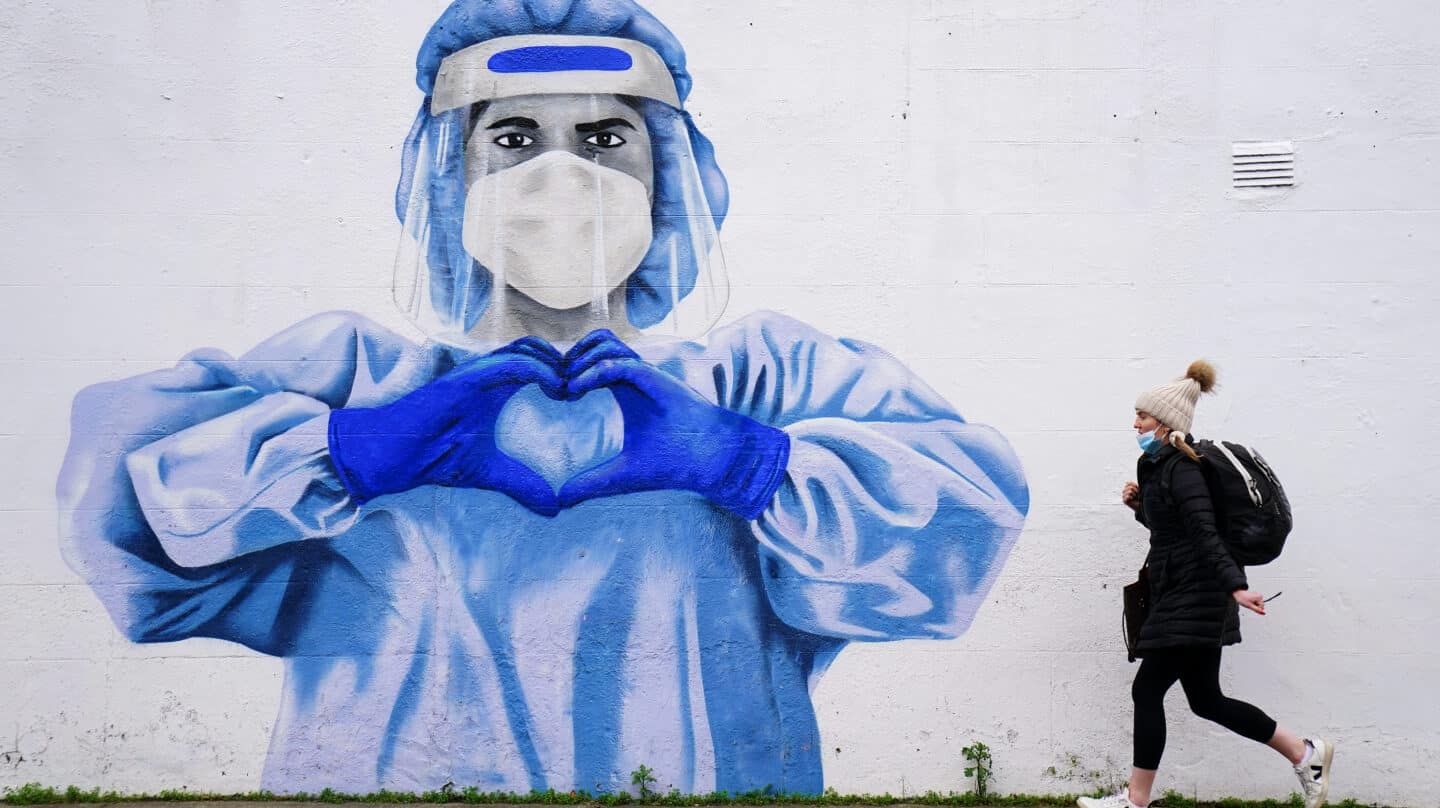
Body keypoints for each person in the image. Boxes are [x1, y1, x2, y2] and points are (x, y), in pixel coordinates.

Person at [56, 0, 1029, 796]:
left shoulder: (760, 382)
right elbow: (117, 516)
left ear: (668, 176)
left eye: (605, 136)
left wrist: (752, 461)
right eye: (514, 136)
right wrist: (342, 448)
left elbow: (968, 513)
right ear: (449, 174)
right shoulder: (355, 378)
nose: (560, 178)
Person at [1078, 361, 1333, 808]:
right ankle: (1305, 753)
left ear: (1165, 422)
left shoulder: (1184, 468)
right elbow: (1173, 532)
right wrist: (1141, 506)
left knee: (1147, 690)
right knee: (1207, 700)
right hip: (1184, 591)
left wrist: (1235, 586)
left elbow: (1203, 531)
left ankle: (1136, 801)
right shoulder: (1155, 465)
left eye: (1142, 415)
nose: (1134, 422)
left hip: (1197, 594)